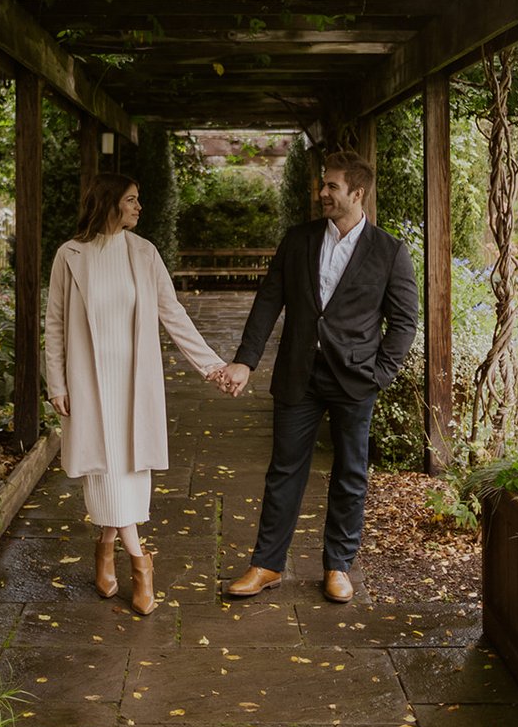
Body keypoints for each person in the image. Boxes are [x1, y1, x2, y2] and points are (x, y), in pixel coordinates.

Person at [220, 151, 418, 604]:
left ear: (357, 192)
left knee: (351, 474)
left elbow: (404, 322)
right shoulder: (298, 240)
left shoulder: (389, 251)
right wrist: (245, 361)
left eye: (331, 186)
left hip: (355, 381)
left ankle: (338, 567)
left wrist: (380, 374)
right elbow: (269, 300)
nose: (322, 192)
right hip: (298, 376)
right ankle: (266, 565)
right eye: (322, 185)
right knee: (283, 471)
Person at [45, 172, 228, 615]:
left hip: (132, 380)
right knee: (103, 468)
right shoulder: (70, 255)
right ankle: (140, 562)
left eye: (139, 199)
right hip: (90, 382)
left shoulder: (144, 253)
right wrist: (57, 384)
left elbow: (173, 312)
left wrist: (212, 365)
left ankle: (105, 547)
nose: (138, 207)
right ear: (109, 204)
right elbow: (54, 323)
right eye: (131, 199)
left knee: (127, 470)